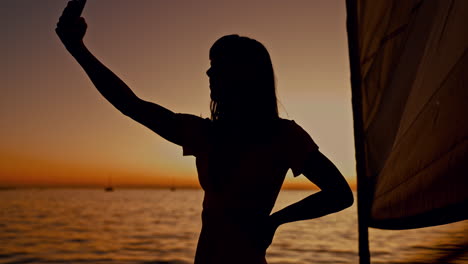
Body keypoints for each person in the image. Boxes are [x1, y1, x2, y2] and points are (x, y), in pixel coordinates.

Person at [56, 1, 354, 263]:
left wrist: (274, 222)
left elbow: (340, 194)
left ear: (246, 74)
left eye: (219, 65)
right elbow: (130, 104)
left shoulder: (283, 136)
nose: (209, 73)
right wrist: (78, 49)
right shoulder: (205, 134)